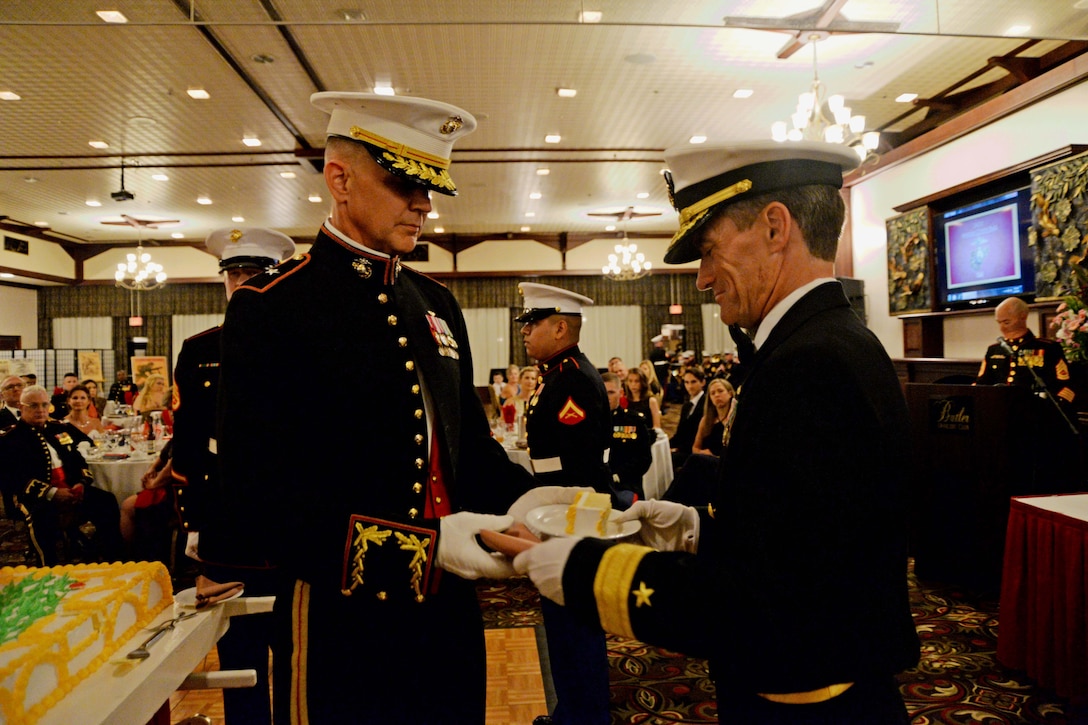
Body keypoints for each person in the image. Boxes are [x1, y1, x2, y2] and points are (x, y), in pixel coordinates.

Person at [511, 140, 920, 724]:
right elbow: (805, 534)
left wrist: (586, 571)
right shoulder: (830, 341)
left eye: (708, 251)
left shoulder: (808, 364)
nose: (702, 279)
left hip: (807, 697)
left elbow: (771, 598)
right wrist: (697, 529)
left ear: (775, 228)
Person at [211, 92, 536, 724]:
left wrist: (549, 509)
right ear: (339, 179)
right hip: (343, 608)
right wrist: (425, 548)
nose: (424, 203)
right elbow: (260, 491)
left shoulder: (436, 304)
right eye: (404, 183)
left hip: (448, 608)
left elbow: (467, 448)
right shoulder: (274, 308)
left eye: (430, 187)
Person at [168, 225, 296, 725]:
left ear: (277, 277)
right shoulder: (200, 349)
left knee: (295, 655)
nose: (242, 283)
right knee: (239, 658)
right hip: (228, 530)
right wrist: (195, 528)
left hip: (293, 527)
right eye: (234, 273)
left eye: (254, 273)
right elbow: (189, 446)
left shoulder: (306, 343)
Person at [516, 281, 612, 725]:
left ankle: (582, 715)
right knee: (562, 619)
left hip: (572, 516)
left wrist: (540, 505)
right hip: (560, 513)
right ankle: (571, 711)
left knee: (574, 623)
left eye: (532, 322)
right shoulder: (558, 372)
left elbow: (574, 464)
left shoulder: (571, 376)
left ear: (559, 327)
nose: (525, 330)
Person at [0, 385, 123, 566]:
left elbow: (79, 459)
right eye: (34, 406)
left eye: (44, 405)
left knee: (106, 501)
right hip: (35, 498)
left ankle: (112, 558)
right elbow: (12, 478)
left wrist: (81, 483)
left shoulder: (59, 428)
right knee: (42, 517)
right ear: (21, 407)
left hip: (72, 490)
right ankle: (48, 569)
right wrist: (52, 493)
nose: (40, 410)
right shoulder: (10, 439)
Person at [976, 296, 1077, 404]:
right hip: (1000, 410)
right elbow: (981, 385)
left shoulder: (1047, 348)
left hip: (1036, 412)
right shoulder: (994, 350)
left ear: (1023, 317)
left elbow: (1064, 386)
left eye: (1006, 322)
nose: (1002, 328)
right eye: (999, 323)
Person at [602, 371, 652, 500]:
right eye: (603, 392)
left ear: (621, 393)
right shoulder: (591, 422)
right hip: (598, 484)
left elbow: (644, 459)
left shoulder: (634, 421)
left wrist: (618, 476)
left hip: (626, 485)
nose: (606, 397)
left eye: (611, 392)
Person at [669, 366, 706, 468]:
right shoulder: (687, 406)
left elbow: (700, 435)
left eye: (693, 382)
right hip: (684, 448)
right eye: (686, 382)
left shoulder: (707, 404)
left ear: (702, 382)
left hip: (696, 450)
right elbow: (680, 433)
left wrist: (678, 449)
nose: (689, 386)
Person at [692, 377, 736, 457]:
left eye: (720, 391)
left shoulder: (735, 420)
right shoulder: (706, 420)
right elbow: (695, 448)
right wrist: (704, 453)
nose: (717, 395)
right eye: (713, 393)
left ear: (730, 394)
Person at [625, 366, 662, 431]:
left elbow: (656, 426)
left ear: (642, 382)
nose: (633, 384)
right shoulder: (625, 400)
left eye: (637, 381)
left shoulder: (651, 401)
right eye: (630, 381)